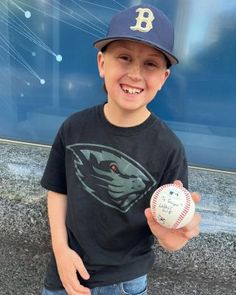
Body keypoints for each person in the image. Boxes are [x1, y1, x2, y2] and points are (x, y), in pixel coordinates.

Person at [40, 4, 201, 295]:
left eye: (151, 64)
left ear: (163, 78)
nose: (136, 74)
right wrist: (60, 251)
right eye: (124, 58)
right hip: (66, 271)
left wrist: (172, 238)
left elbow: (171, 235)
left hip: (126, 283)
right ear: (102, 63)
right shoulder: (74, 128)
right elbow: (57, 190)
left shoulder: (169, 148)